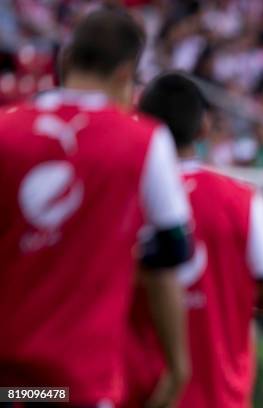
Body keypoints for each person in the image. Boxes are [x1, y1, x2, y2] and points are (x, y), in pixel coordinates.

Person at [0, 8, 193, 407]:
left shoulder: (7, 129)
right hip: (82, 383)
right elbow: (175, 255)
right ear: (126, 73)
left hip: (11, 382)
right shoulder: (145, 145)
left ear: (66, 59)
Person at [124, 71, 263, 408]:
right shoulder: (240, 199)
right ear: (203, 128)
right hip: (220, 397)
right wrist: (224, 297)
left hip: (138, 393)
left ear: (140, 123)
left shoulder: (124, 194)